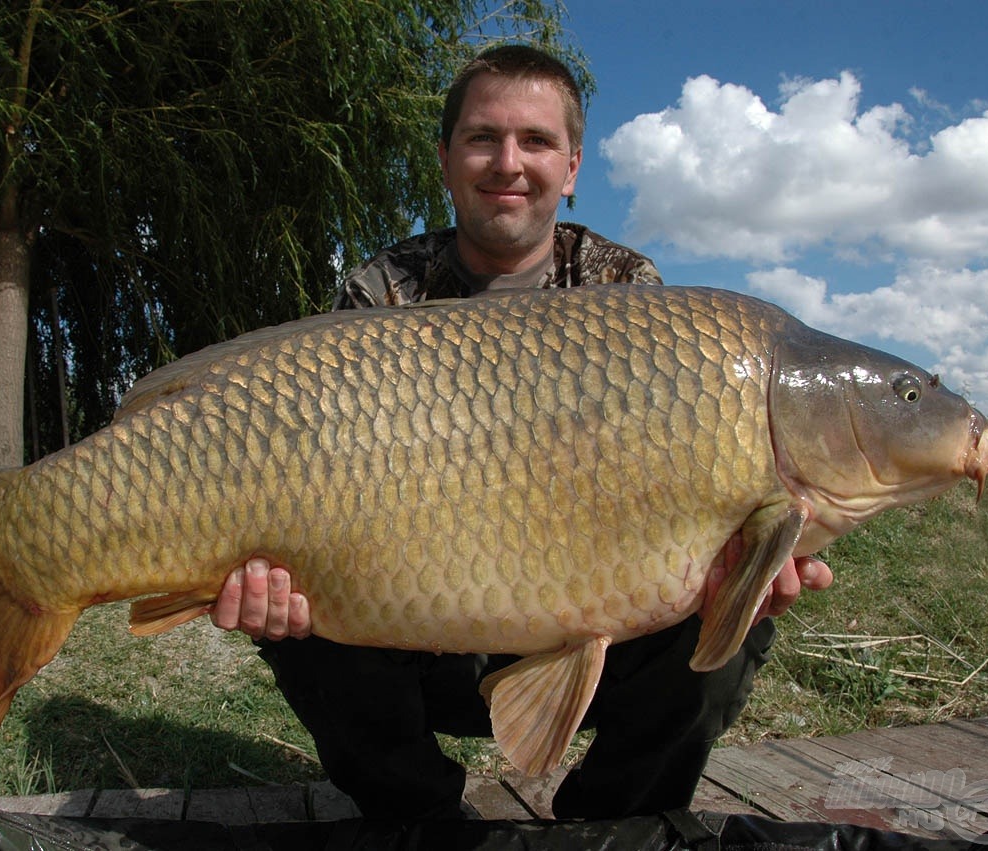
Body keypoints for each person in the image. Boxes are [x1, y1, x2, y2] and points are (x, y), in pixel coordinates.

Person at [210, 44, 833, 820]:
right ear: (445, 160)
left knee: (734, 622)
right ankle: (421, 821)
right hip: (418, 623)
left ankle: (614, 825)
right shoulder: (381, 294)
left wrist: (741, 566)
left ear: (571, 167)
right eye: (483, 139)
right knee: (299, 611)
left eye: (535, 142)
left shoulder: (628, 294)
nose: (509, 163)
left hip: (590, 621)